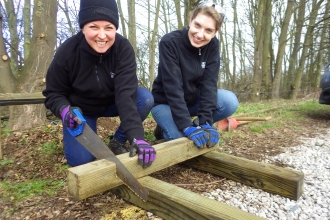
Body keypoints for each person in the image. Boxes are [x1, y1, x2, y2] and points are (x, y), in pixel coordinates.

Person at [42, 0, 156, 168]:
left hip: (113, 102)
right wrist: (65, 111)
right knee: (81, 161)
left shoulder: (123, 49)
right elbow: (53, 93)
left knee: (145, 98)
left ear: (115, 29)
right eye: (94, 27)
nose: (102, 35)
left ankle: (118, 141)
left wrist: (137, 137)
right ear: (83, 28)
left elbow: (126, 95)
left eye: (108, 28)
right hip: (81, 113)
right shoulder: (68, 52)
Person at [151, 1, 239, 148]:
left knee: (229, 101)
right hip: (165, 102)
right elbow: (173, 88)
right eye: (197, 25)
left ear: (215, 32)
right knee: (179, 139)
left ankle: (196, 124)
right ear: (190, 20)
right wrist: (185, 125)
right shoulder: (170, 42)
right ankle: (166, 126)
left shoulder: (213, 46)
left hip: (192, 101)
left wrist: (205, 121)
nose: (200, 34)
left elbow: (209, 84)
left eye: (208, 30)